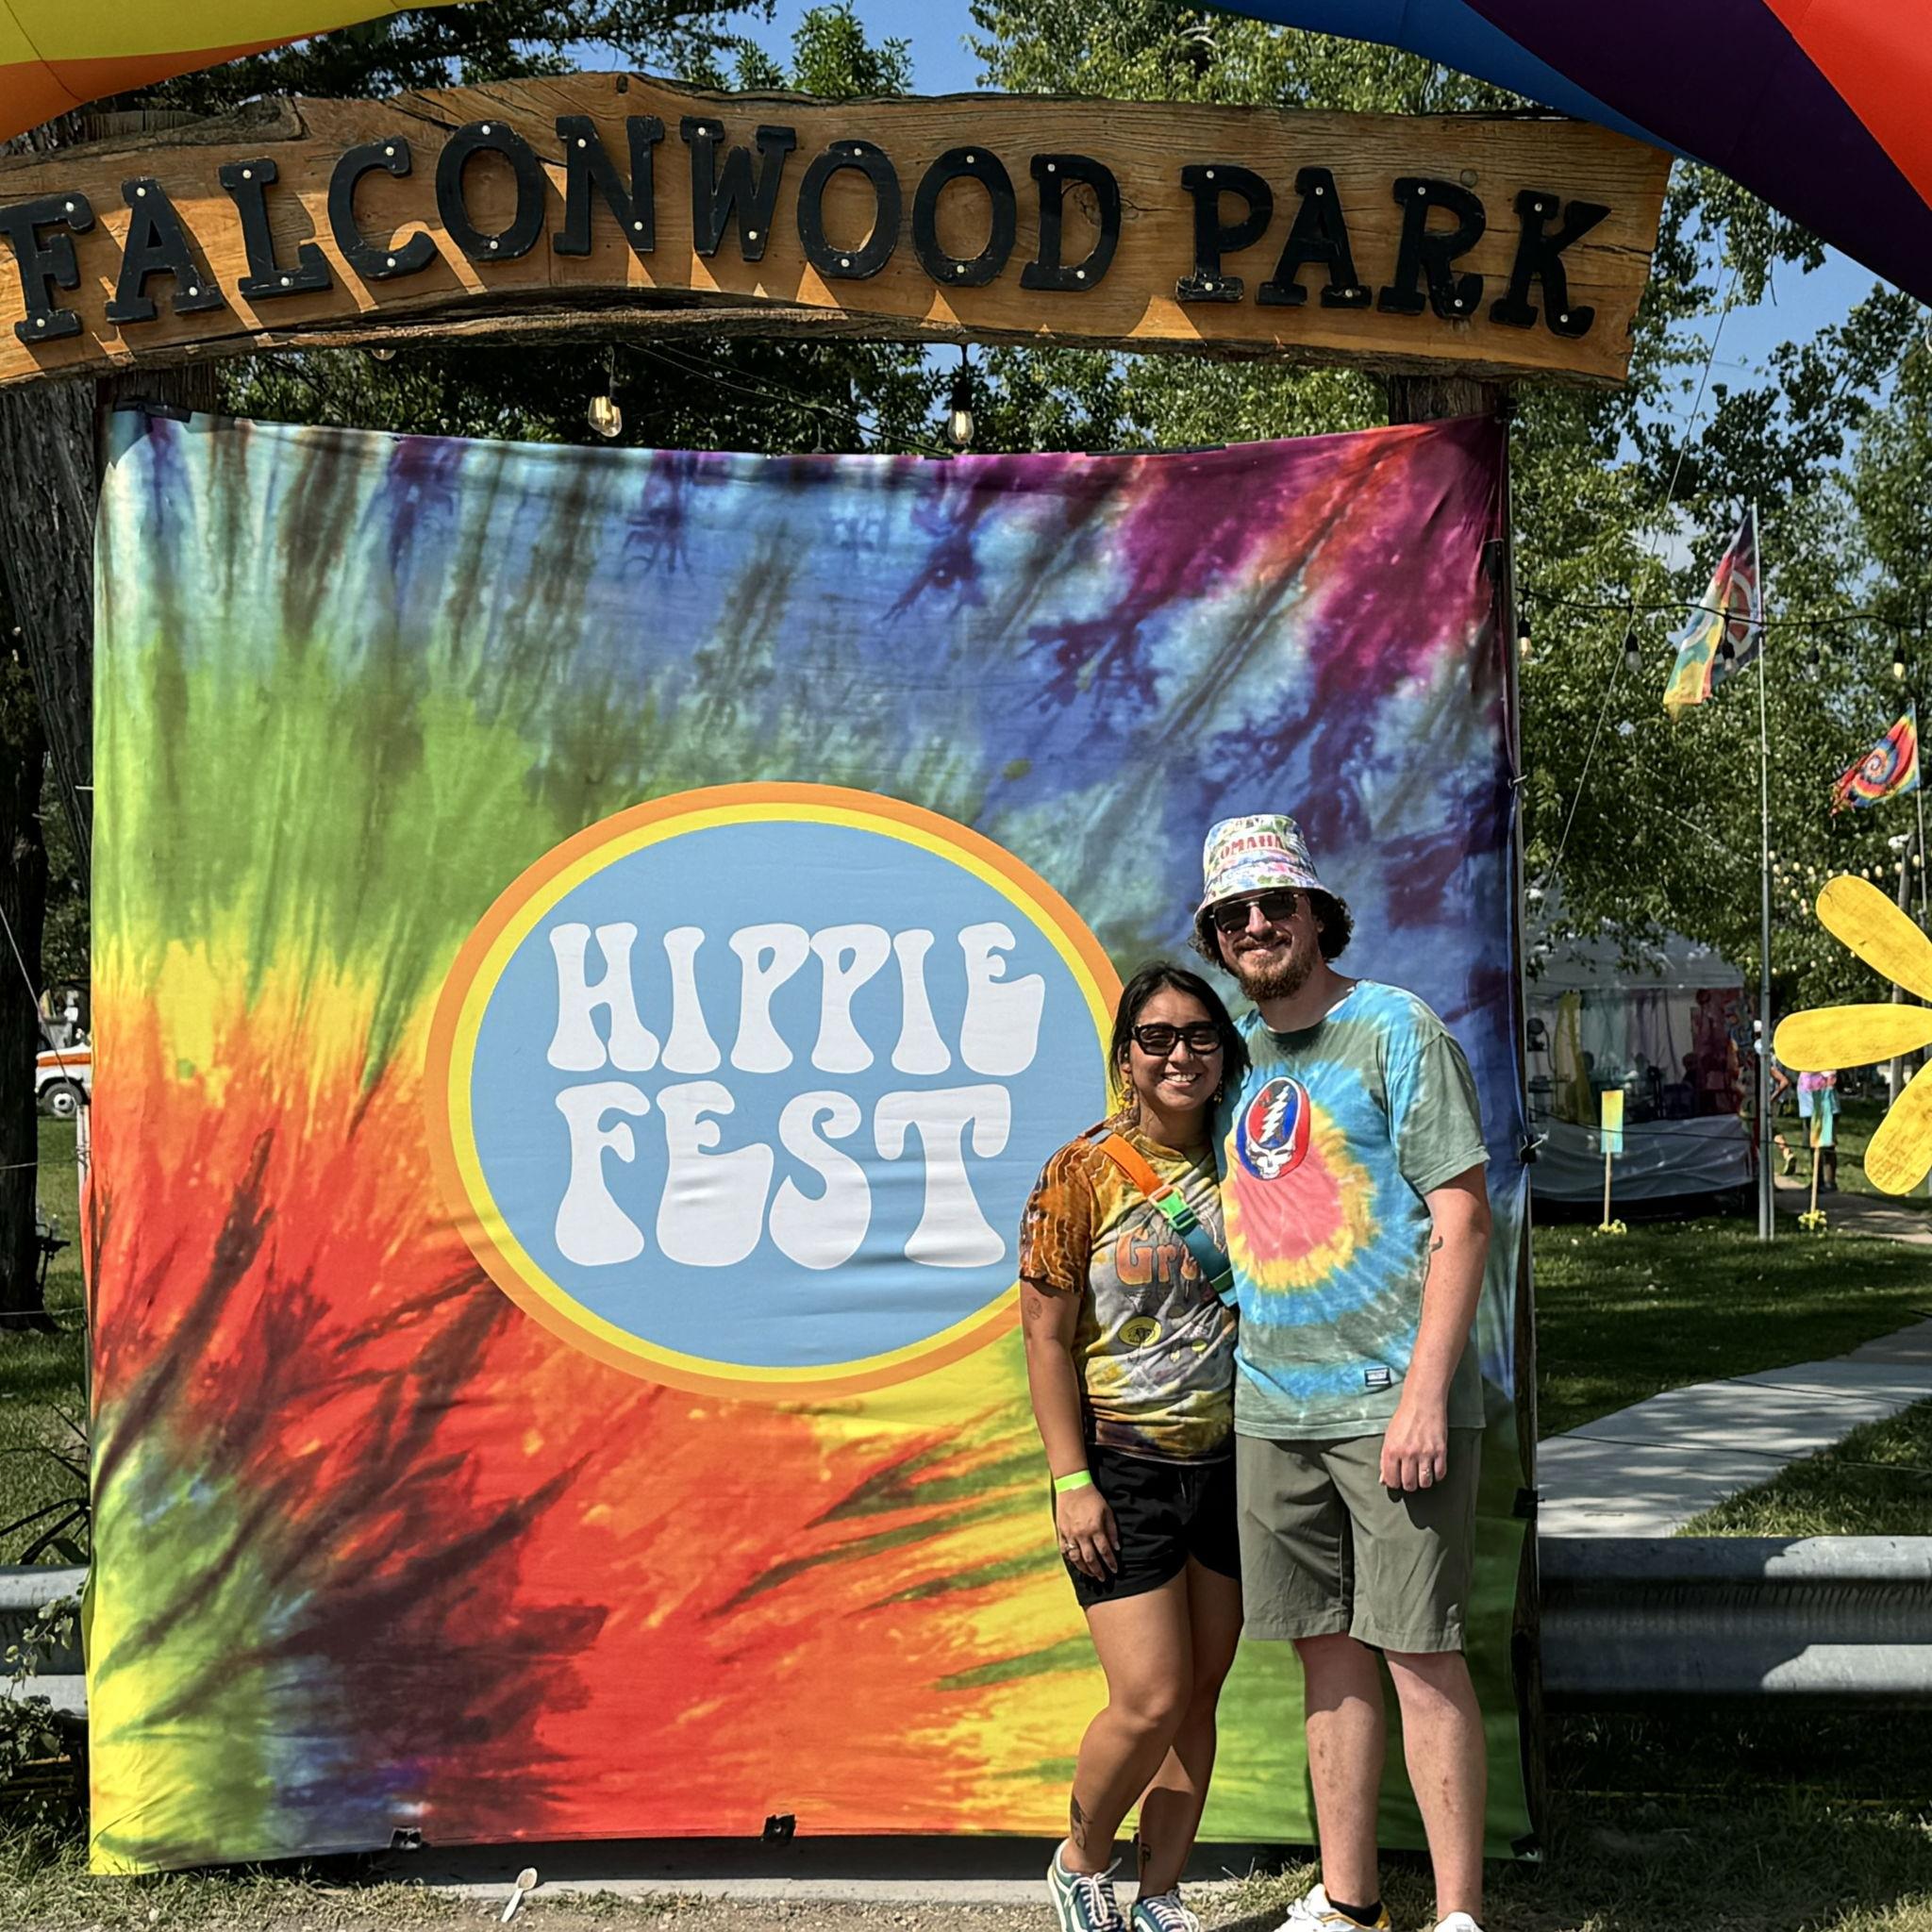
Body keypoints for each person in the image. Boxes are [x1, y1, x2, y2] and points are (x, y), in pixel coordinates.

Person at [1190, 815, 1492, 1932]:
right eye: (1232, 914)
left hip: (1391, 1407)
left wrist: (1422, 1397)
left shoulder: (1393, 1027)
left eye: (1275, 903)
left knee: (1419, 1652)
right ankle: (1348, 1899)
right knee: (1325, 1654)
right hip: (1272, 1407)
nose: (1256, 924)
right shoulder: (1230, 1059)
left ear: (1317, 913)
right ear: (1215, 940)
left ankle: (1457, 1915)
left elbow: (1463, 1219)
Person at [1019, 962, 1253, 1932]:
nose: (1179, 1054)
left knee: (1197, 1694)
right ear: (1125, 1057)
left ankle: (1159, 1892)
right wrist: (1071, 1480)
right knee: (1149, 1695)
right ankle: (1080, 1861)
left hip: (1233, 1463)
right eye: (1156, 1037)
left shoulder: (1253, 1162)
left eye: (1200, 1035)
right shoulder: (1078, 1173)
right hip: (1122, 1465)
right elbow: (1044, 1338)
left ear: (1225, 1052)